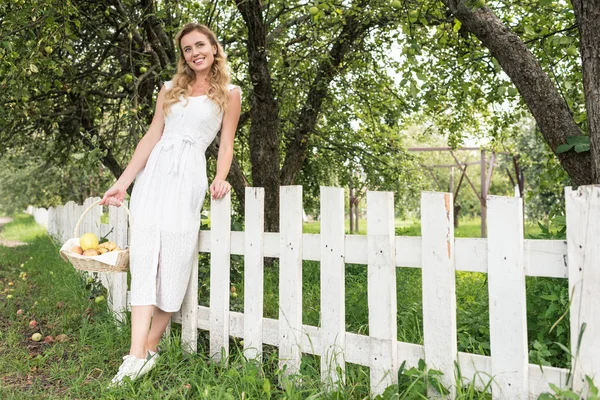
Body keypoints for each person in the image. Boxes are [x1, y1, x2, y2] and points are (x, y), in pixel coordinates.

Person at [99, 23, 241, 385]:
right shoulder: (168, 89)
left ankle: (149, 347)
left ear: (213, 47)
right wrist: (122, 183)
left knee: (175, 261)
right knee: (145, 259)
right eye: (187, 49)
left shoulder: (229, 92)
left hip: (188, 177)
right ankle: (134, 355)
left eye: (200, 45)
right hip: (154, 178)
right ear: (183, 56)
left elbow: (226, 144)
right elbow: (151, 137)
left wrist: (221, 176)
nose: (194, 53)